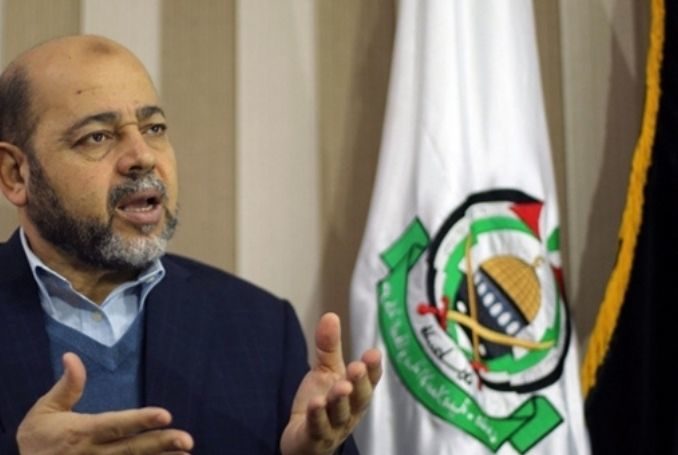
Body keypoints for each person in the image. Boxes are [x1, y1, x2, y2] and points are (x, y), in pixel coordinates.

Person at [0, 35, 381, 454]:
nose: (142, 157)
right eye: (97, 137)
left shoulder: (261, 328)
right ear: (15, 174)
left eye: (154, 128)